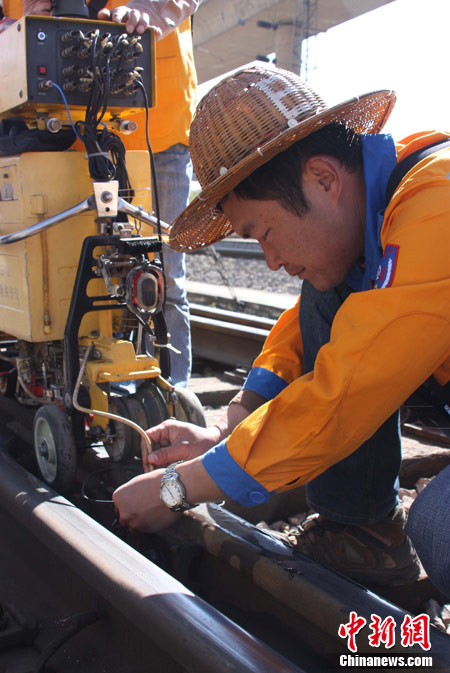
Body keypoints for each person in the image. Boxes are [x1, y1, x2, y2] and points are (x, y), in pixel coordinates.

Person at [111, 65, 450, 593]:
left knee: (440, 526)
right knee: (322, 285)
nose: (269, 261)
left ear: (323, 179)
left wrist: (179, 488)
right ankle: (364, 535)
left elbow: (346, 391)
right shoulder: (373, 218)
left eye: (264, 233)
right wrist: (229, 431)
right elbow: (309, 330)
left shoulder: (439, 205)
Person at [5, 0, 200, 387]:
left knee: (163, 275)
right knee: (66, 278)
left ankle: (172, 399)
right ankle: (79, 386)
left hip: (154, 126)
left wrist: (152, 7)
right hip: (55, 130)